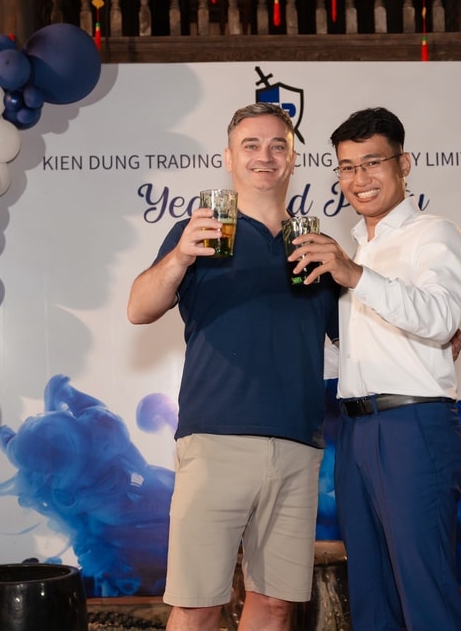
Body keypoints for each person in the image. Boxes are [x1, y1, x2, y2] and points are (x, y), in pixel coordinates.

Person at [126, 102, 340, 631]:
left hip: (298, 444)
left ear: (292, 159)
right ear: (228, 158)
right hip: (216, 438)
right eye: (251, 145)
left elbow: (353, 335)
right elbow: (138, 308)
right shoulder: (199, 231)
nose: (265, 156)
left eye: (277, 145)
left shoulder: (315, 245)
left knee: (276, 605)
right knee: (198, 604)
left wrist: (430, 337)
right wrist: (180, 256)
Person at [291, 107, 461, 630]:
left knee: (425, 590)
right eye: (347, 167)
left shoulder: (433, 235)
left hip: (413, 425)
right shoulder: (360, 247)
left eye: (372, 162)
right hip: (354, 430)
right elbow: (351, 351)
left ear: (404, 164)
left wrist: (354, 274)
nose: (359, 179)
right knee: (371, 593)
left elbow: (440, 318)